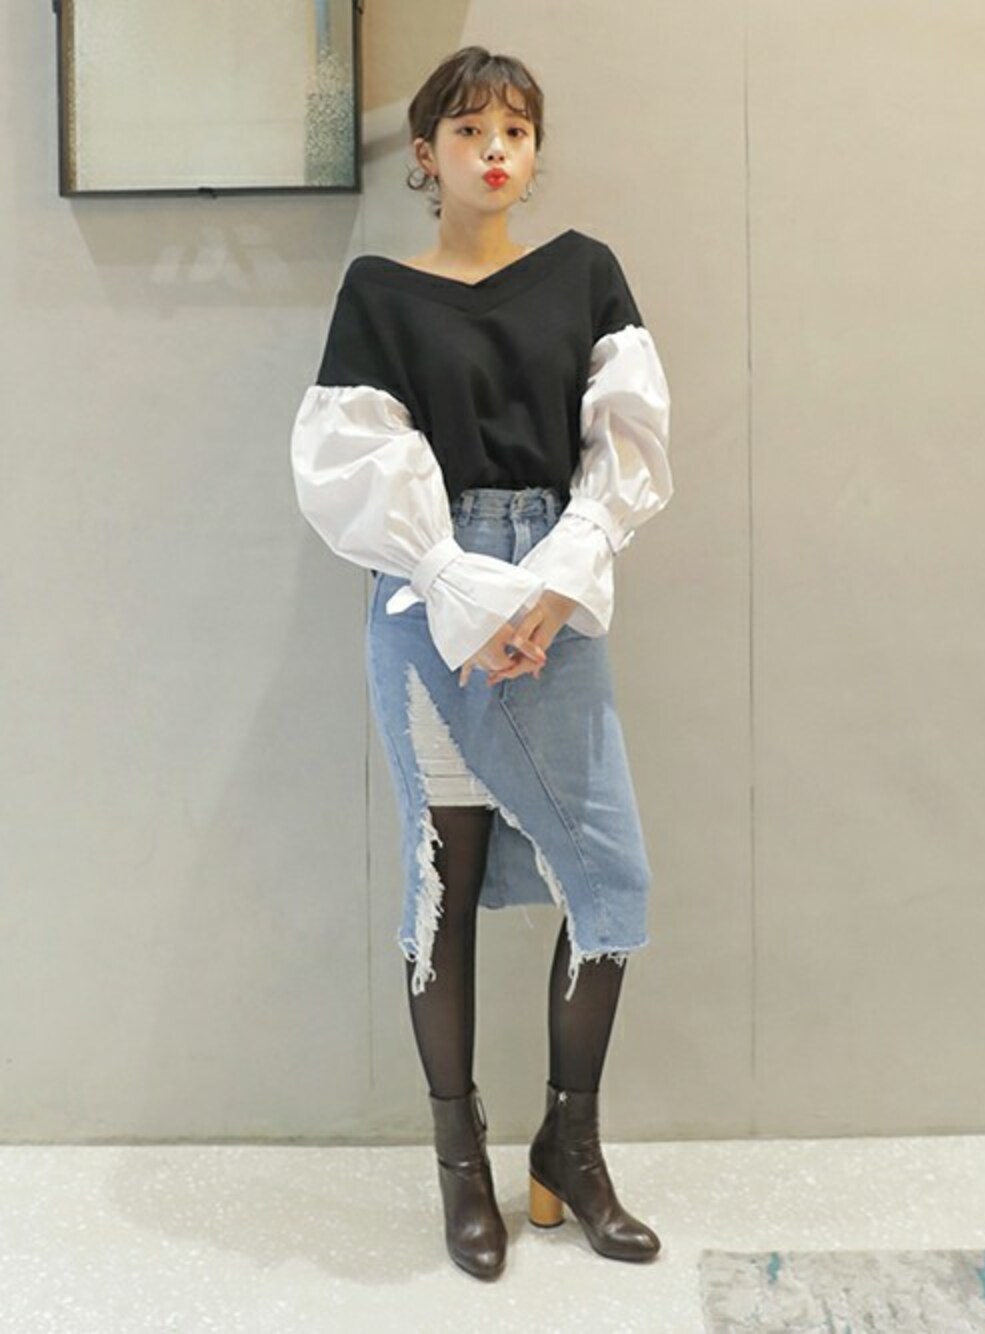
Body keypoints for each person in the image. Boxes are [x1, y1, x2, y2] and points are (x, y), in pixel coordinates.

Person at [289, 46, 673, 1280]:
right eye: (468, 130)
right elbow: (354, 466)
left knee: (609, 883)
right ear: (426, 154)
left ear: (534, 150)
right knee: (441, 883)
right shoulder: (380, 292)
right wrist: (465, 591)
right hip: (427, 597)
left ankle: (571, 1147)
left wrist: (548, 593)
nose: (494, 149)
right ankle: (461, 1164)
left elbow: (623, 456)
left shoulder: (584, 274)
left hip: (558, 592)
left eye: (515, 129)